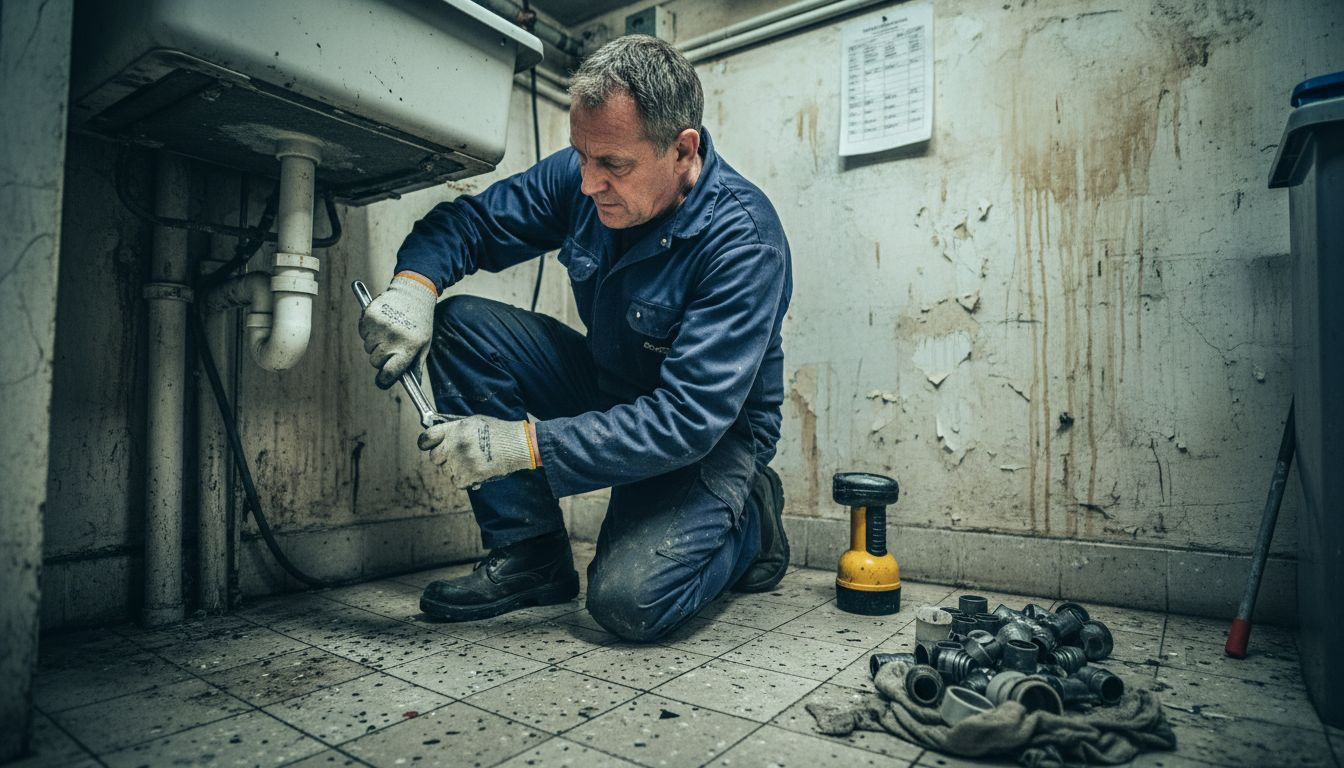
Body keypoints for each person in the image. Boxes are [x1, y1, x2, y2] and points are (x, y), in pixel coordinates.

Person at [357, 35, 793, 642]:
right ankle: (530, 555)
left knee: (629, 602)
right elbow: (472, 222)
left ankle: (752, 520)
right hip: (613, 385)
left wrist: (524, 445)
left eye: (612, 164)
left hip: (710, 438)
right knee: (461, 326)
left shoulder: (743, 241)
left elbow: (688, 419)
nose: (588, 183)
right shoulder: (585, 173)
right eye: (582, 156)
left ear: (682, 150)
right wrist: (413, 286)